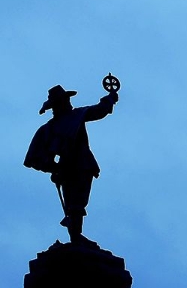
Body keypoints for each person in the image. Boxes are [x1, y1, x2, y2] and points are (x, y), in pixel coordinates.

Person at [24, 84, 119, 243]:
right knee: (75, 203)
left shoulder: (74, 116)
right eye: (66, 100)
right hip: (71, 166)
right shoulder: (50, 128)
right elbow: (34, 158)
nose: (69, 103)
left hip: (81, 164)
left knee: (77, 202)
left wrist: (110, 98)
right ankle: (75, 235)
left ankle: (75, 234)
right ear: (60, 103)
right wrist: (53, 167)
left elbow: (99, 110)